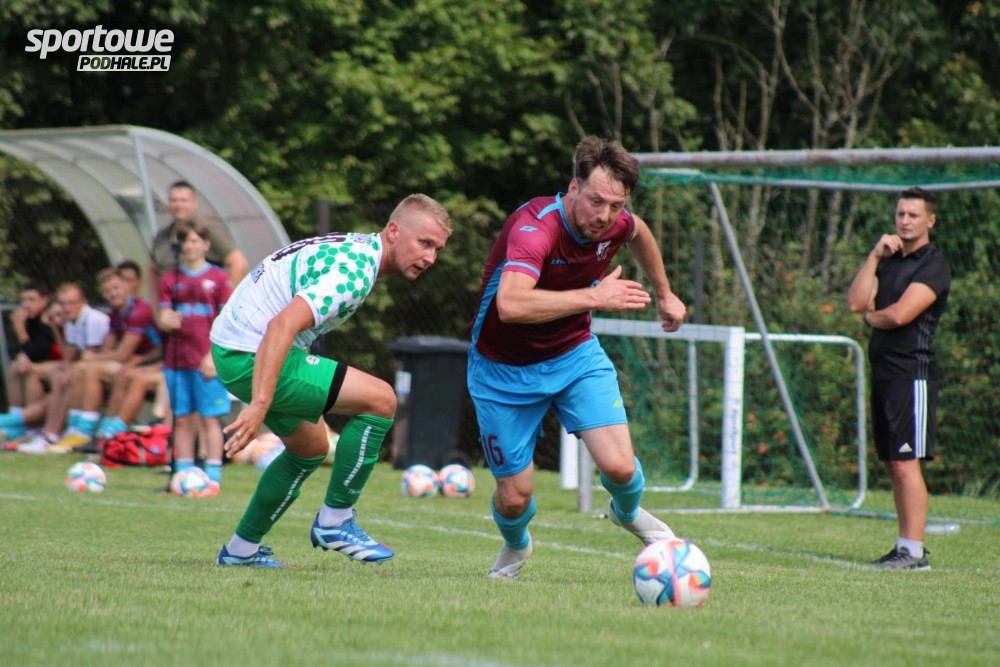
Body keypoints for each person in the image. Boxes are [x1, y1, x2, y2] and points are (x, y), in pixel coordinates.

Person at [467, 136, 687, 580]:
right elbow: (510, 304)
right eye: (596, 201)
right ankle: (516, 544)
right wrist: (594, 297)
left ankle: (627, 514)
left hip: (574, 357)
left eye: (616, 205)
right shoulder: (535, 228)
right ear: (573, 187)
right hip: (502, 371)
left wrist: (665, 293)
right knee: (515, 499)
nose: (605, 216)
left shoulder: (616, 223)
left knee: (621, 467)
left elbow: (639, 232)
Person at [210, 193, 452, 568]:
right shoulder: (354, 273)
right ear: (393, 231)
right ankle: (336, 521)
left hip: (234, 348)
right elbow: (281, 326)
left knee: (310, 448)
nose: (430, 258)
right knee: (381, 400)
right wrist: (259, 404)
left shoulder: (358, 250)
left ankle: (240, 550)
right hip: (250, 353)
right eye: (424, 243)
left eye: (437, 249)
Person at [847, 186, 950, 571]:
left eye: (913, 215)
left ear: (930, 220)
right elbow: (856, 301)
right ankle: (904, 546)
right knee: (893, 461)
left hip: (912, 376)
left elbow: (899, 315)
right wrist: (874, 256)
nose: (905, 221)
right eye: (900, 214)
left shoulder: (934, 265)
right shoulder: (887, 260)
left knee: (907, 463)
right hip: (885, 374)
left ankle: (914, 552)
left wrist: (871, 318)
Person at [46, 268, 162, 451]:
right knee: (82, 368)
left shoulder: (140, 310)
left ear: (127, 286)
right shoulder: (116, 313)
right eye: (107, 291)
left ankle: (97, 433)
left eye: (116, 288)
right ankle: (76, 429)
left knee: (95, 370)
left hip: (151, 363)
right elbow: (109, 347)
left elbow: (123, 354)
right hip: (135, 362)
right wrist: (93, 359)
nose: (112, 294)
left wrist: (93, 357)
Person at [156, 223, 233, 488]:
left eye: (194, 241)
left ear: (206, 245)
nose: (189, 246)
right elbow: (163, 316)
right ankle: (183, 472)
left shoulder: (219, 278)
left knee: (210, 418)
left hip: (206, 361)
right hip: (177, 361)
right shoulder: (170, 279)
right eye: (185, 242)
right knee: (182, 419)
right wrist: (166, 320)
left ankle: (213, 475)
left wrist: (213, 355)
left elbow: (226, 322)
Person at [17, 282, 110, 453]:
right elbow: (69, 354)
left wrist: (69, 369)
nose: (67, 308)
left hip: (103, 367)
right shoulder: (72, 321)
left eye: (71, 303)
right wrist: (55, 327)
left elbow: (91, 356)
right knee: (61, 374)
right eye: (63, 304)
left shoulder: (93, 319)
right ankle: (49, 433)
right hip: (87, 366)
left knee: (75, 373)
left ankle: (74, 431)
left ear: (83, 302)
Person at [150, 181, 249, 299]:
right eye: (174, 200)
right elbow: (153, 271)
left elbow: (238, 262)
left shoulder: (207, 230)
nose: (178, 205)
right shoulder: (161, 236)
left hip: (206, 304)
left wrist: (228, 302)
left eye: (183, 200)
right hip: (172, 306)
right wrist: (157, 307)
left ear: (194, 202)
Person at [0, 284, 61, 441]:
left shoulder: (48, 319)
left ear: (45, 300)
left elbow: (36, 352)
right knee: (16, 366)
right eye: (24, 300)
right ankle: (15, 424)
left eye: (31, 299)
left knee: (29, 369)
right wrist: (23, 355)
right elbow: (29, 352)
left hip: (59, 369)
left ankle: (25, 425)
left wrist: (19, 328)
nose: (26, 305)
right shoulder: (31, 320)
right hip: (45, 369)